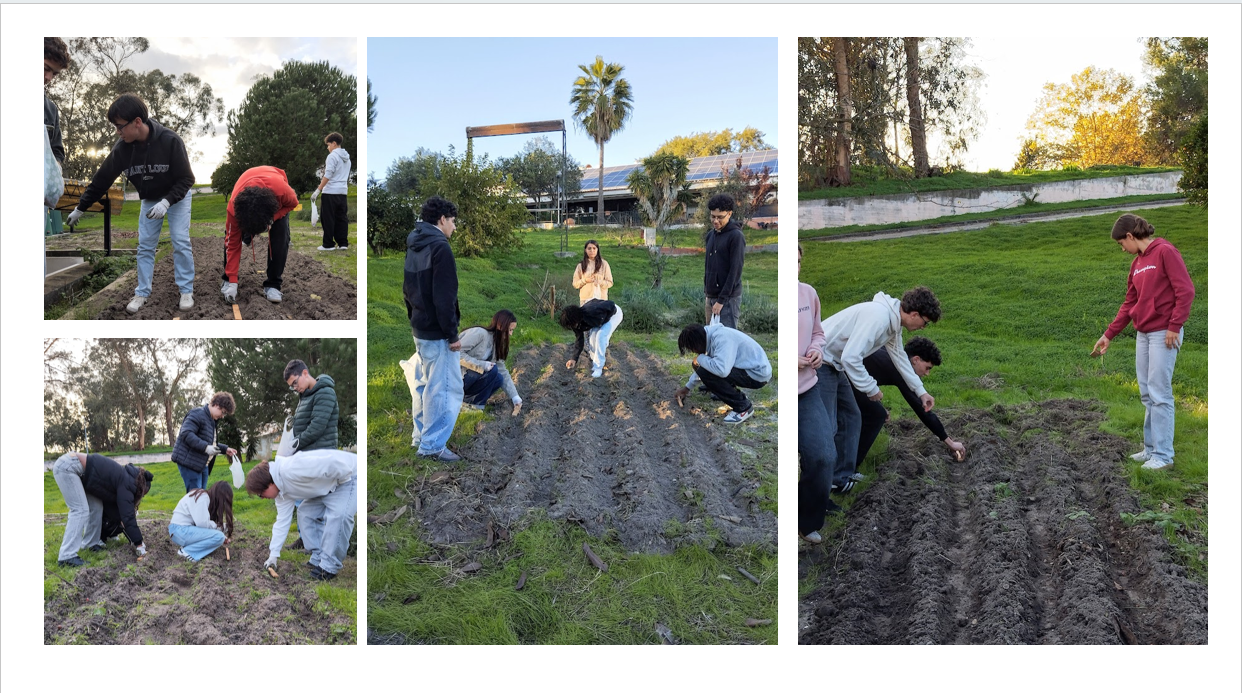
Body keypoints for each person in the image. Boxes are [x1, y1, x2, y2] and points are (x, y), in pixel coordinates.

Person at [66, 93, 196, 314]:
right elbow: (101, 180)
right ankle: (142, 292)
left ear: (137, 122)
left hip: (177, 197)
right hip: (150, 199)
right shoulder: (122, 149)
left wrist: (166, 202)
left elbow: (187, 179)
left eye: (119, 126)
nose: (117, 132)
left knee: (180, 240)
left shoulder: (170, 141)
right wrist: (81, 207)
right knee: (145, 246)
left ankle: (186, 290)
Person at [1091, 213, 1195, 470]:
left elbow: (1185, 290)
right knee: (1147, 392)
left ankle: (1163, 456)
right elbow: (1130, 303)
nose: (1122, 248)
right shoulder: (1137, 263)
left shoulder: (1165, 252)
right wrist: (1108, 334)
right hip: (1144, 333)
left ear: (1130, 236)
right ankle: (1150, 450)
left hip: (1164, 333)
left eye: (1121, 243)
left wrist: (1175, 325)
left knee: (1160, 393)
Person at [821, 286, 941, 492]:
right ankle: (821, 486)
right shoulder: (879, 317)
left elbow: (900, 358)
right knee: (828, 426)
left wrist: (921, 391)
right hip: (821, 362)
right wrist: (871, 388)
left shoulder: (892, 324)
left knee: (852, 416)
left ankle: (839, 478)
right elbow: (851, 357)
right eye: (925, 322)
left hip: (835, 364)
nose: (923, 327)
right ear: (914, 314)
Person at [402, 195, 464, 462]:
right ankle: (432, 446)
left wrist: (414, 318)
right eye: (452, 221)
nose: (454, 227)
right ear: (442, 220)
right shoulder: (440, 247)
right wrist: (452, 334)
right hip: (437, 332)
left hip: (420, 327)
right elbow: (444, 297)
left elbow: (408, 288)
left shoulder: (415, 244)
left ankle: (421, 437)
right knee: (445, 389)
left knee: (424, 386)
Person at [245, 450, 358, 581]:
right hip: (328, 487)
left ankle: (329, 566)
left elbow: (333, 463)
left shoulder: (291, 469)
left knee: (339, 515)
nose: (262, 498)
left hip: (349, 477)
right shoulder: (281, 494)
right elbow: (282, 522)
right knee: (305, 513)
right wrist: (273, 555)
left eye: (261, 494)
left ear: (269, 483)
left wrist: (342, 480)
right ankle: (318, 556)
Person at [854, 337, 967, 466]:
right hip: (844, 376)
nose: (927, 373)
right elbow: (922, 409)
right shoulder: (900, 369)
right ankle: (849, 470)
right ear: (916, 360)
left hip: (851, 377)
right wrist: (950, 442)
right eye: (927, 368)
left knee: (876, 412)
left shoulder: (893, 354)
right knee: (875, 415)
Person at [796, 244, 836, 544]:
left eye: (797, 262)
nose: (793, 268)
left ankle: (806, 522)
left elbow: (818, 332)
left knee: (823, 456)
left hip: (808, 388)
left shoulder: (808, 294)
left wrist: (815, 350)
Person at [51, 452, 152, 567]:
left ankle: (90, 543)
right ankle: (66, 556)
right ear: (140, 487)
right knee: (80, 510)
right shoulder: (128, 483)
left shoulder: (126, 478)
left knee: (96, 507)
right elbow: (127, 516)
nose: (141, 497)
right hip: (68, 467)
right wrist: (139, 544)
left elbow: (119, 515)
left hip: (83, 475)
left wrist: (132, 538)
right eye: (142, 494)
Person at [222, 165, 300, 305]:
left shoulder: (282, 192)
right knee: (230, 238)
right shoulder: (234, 207)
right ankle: (228, 280)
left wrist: (273, 218)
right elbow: (232, 244)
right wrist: (233, 280)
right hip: (247, 187)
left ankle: (273, 285)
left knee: (281, 240)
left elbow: (293, 204)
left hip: (276, 203)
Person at [674, 322, 771, 424]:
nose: (694, 352)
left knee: (706, 367)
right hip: (747, 369)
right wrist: (687, 388)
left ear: (698, 343)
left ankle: (743, 407)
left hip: (757, 374)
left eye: (693, 349)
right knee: (702, 366)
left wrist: (700, 358)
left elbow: (722, 371)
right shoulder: (709, 338)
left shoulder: (722, 338)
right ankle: (732, 394)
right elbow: (705, 368)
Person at [458, 309, 523, 415]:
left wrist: (515, 397)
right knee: (493, 370)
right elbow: (455, 353)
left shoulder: (496, 344)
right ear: (501, 326)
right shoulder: (479, 333)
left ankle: (473, 406)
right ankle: (464, 403)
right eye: (510, 330)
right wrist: (481, 365)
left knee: (499, 378)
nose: (511, 334)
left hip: (470, 378)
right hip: (457, 377)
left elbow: (503, 371)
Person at [171, 392, 238, 492]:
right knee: (195, 497)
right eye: (223, 412)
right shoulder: (197, 414)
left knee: (201, 496)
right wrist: (206, 448)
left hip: (202, 465)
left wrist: (225, 449)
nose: (223, 416)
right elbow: (186, 433)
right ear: (216, 405)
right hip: (190, 463)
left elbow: (210, 443)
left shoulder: (211, 420)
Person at [704, 193, 745, 328]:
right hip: (710, 297)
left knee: (727, 342)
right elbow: (709, 267)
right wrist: (708, 295)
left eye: (720, 217)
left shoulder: (736, 236)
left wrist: (721, 300)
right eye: (713, 216)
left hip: (728, 299)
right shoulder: (711, 235)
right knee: (711, 341)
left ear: (729, 214)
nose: (715, 221)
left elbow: (735, 272)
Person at [168, 481, 233, 562]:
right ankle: (188, 552)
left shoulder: (203, 496)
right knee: (219, 537)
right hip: (180, 530)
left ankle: (187, 549)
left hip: (179, 531)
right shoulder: (203, 497)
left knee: (219, 536)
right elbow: (203, 524)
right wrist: (221, 528)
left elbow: (202, 526)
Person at [559, 299, 623, 379]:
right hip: (598, 320)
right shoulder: (576, 324)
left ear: (576, 319)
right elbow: (579, 340)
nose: (573, 327)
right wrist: (574, 358)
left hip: (613, 314)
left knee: (601, 335)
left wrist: (604, 321)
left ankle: (598, 367)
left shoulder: (592, 310)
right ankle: (594, 361)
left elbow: (611, 305)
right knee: (592, 339)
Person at [285, 359, 340, 451]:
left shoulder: (325, 392)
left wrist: (293, 444)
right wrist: (295, 421)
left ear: (305, 373)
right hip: (309, 454)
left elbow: (316, 428)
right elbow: (307, 421)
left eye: (295, 382)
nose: (295, 388)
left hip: (321, 455)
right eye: (292, 386)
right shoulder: (305, 395)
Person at [311, 132, 351, 251]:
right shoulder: (347, 159)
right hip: (343, 192)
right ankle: (343, 243)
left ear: (334, 143)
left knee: (328, 218)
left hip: (330, 192)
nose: (328, 148)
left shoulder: (332, 156)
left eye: (328, 145)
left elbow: (328, 175)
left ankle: (328, 244)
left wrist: (318, 190)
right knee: (341, 218)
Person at [571, 239, 613, 305]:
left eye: (594, 248)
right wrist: (585, 280)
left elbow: (610, 282)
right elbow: (575, 284)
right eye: (589, 248)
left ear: (597, 250)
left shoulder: (604, 264)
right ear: (585, 250)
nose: (592, 251)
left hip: (601, 300)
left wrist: (600, 282)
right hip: (586, 300)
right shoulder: (581, 265)